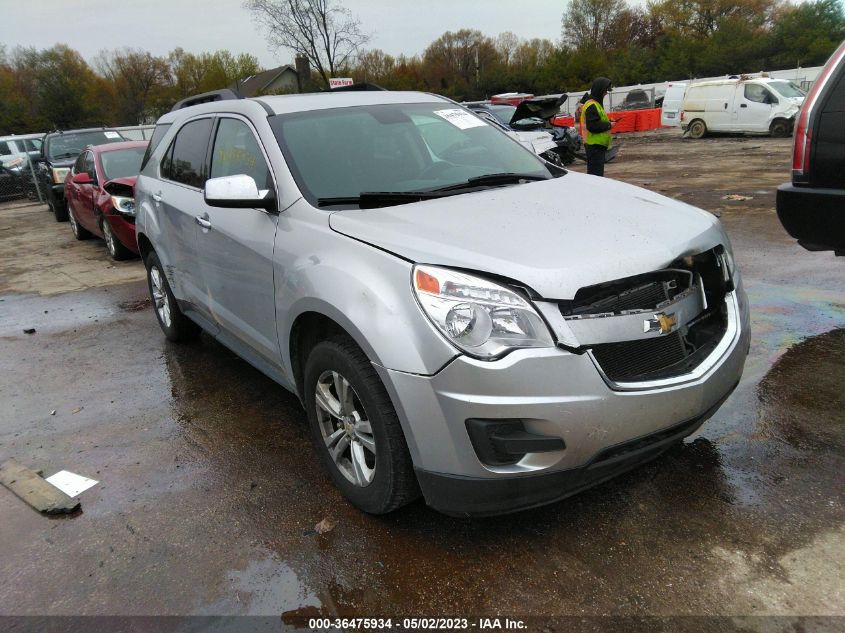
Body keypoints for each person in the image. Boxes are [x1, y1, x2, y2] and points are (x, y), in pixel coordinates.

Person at [580, 77, 614, 177]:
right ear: (599, 90)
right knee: (595, 177)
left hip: (597, 146)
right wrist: (609, 125)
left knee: (596, 176)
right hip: (594, 146)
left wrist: (608, 122)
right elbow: (593, 126)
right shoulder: (592, 105)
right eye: (605, 91)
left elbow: (596, 121)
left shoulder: (596, 104)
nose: (606, 93)